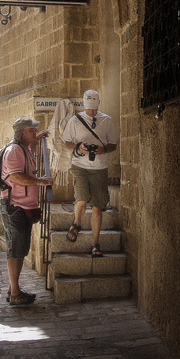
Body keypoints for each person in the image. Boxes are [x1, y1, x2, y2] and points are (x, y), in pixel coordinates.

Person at [0, 116, 52, 305]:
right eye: (32, 130)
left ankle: (12, 290)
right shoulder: (14, 150)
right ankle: (15, 295)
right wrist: (40, 181)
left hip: (24, 206)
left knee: (20, 250)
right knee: (15, 251)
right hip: (15, 206)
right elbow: (16, 177)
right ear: (23, 132)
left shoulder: (25, 148)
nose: (34, 133)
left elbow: (27, 162)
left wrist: (38, 138)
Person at [61, 90, 117, 258]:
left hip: (99, 168)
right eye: (89, 109)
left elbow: (113, 144)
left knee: (97, 208)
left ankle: (95, 244)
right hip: (79, 165)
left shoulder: (106, 120)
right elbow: (66, 143)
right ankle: (77, 222)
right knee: (82, 198)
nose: (91, 112)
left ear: (98, 105)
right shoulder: (74, 120)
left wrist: (103, 149)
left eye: (94, 109)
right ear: (84, 106)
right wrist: (78, 147)